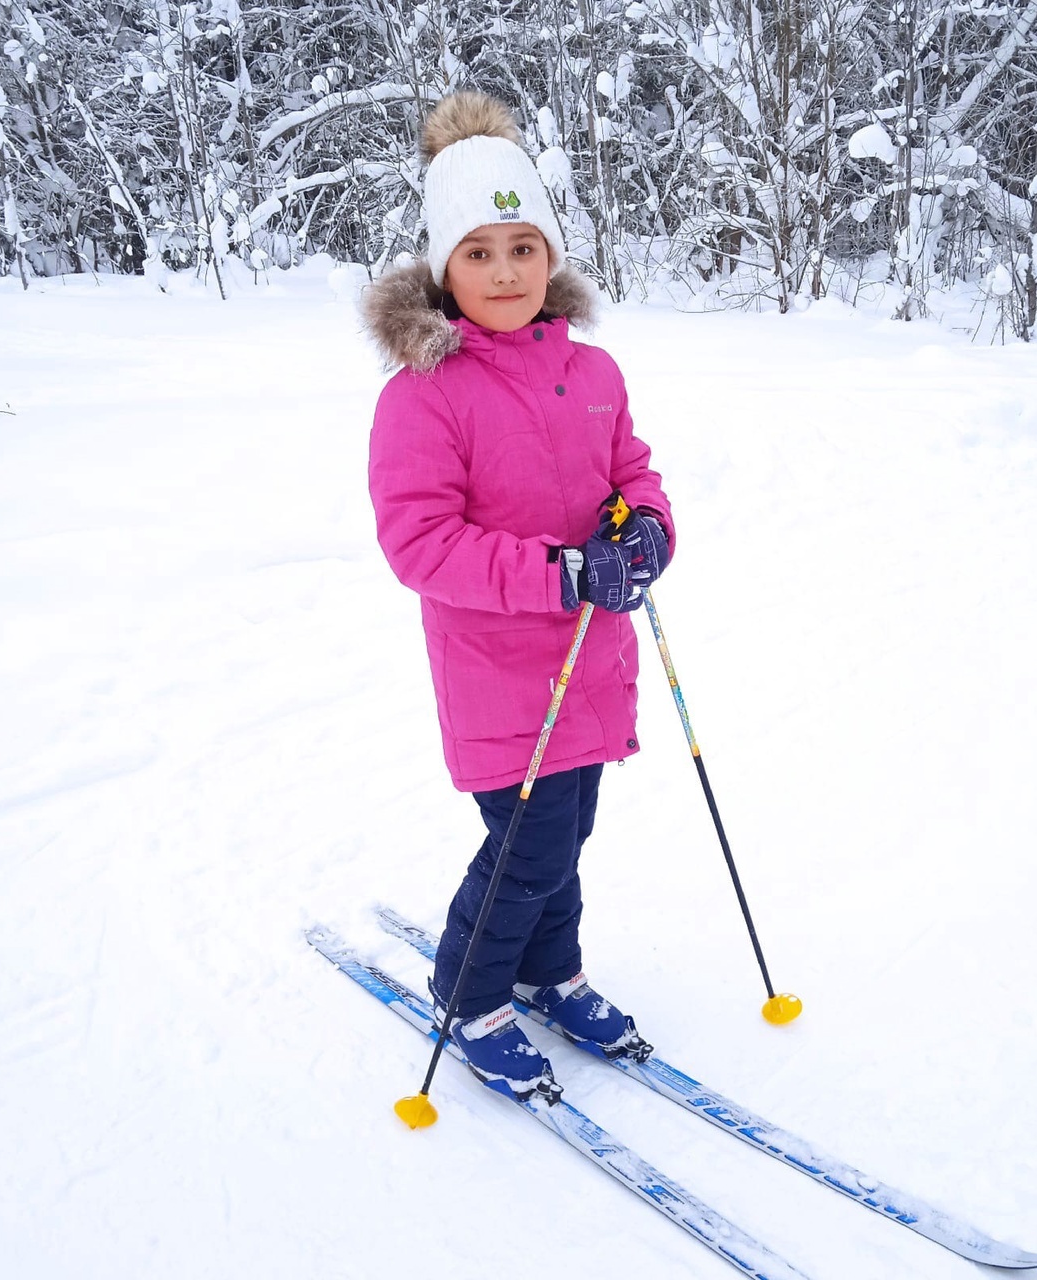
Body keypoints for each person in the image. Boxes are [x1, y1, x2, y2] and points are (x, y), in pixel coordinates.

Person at [365, 91, 675, 1103]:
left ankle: (550, 970)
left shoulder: (592, 370)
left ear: (551, 257)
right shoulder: (424, 390)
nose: (504, 272)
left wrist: (645, 530)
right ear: (443, 268)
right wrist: (561, 571)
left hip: (592, 660)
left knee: (565, 829)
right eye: (478, 252)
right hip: (499, 674)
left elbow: (631, 474)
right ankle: (470, 987)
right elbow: (420, 541)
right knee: (528, 841)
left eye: (522, 247)